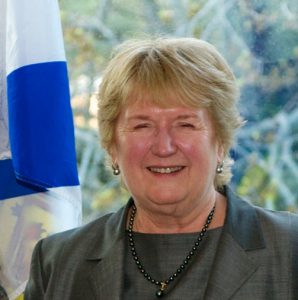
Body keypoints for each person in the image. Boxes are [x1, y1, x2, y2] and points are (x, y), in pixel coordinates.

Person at [25, 37, 298, 300]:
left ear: (221, 143)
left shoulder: (290, 249)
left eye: (185, 124)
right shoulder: (57, 262)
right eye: (142, 125)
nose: (164, 146)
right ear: (112, 146)